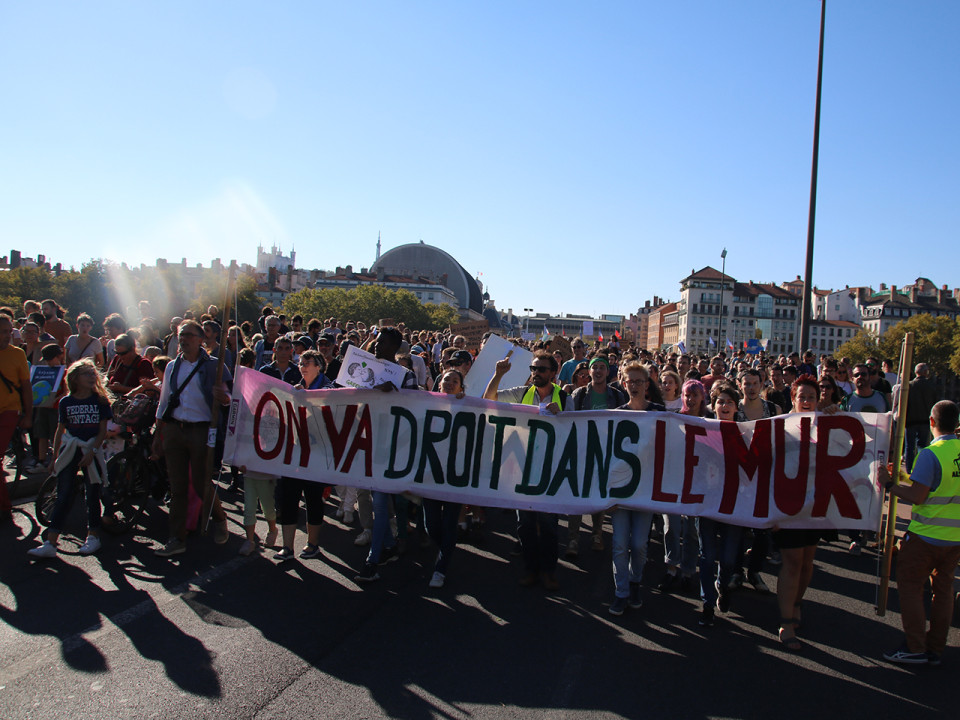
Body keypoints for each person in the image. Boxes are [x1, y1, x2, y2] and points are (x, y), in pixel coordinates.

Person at [881, 400, 960, 665]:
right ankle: (935, 647)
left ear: (931, 422)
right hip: (954, 538)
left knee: (911, 589)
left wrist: (890, 484)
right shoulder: (954, 451)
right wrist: (902, 477)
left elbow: (918, 495)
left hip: (926, 535)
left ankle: (915, 647)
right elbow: (933, 485)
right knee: (944, 592)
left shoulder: (931, 453)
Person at [484, 351, 570, 590]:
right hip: (522, 469)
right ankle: (532, 570)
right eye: (533, 369)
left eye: (542, 369)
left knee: (549, 525)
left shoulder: (565, 397)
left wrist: (561, 415)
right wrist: (498, 374)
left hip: (550, 471)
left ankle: (549, 572)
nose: (536, 373)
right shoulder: (522, 393)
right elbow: (489, 399)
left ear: (553, 373)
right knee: (526, 525)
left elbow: (576, 429)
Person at [151, 320, 232, 556]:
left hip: (201, 430)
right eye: (180, 335)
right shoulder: (172, 367)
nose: (183, 339)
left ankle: (219, 518)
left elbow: (228, 396)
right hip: (175, 429)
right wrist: (159, 432)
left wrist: (223, 397)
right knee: (177, 487)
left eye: (188, 335)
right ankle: (177, 538)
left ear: (200, 339)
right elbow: (164, 401)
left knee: (201, 483)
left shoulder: (215, 366)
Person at [27, 360, 112, 558]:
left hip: (91, 449)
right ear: (74, 379)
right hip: (70, 449)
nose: (92, 377)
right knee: (63, 494)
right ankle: (51, 542)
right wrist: (54, 456)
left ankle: (93, 536)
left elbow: (102, 431)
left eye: (94, 374)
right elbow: (60, 430)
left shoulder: (100, 401)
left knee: (92, 494)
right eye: (87, 374)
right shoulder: (66, 401)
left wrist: (92, 451)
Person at [354, 326, 419, 583]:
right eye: (377, 342)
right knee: (376, 499)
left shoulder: (405, 376)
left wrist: (395, 395)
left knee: (380, 503)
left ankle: (373, 559)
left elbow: (416, 409)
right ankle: (389, 546)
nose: (377, 345)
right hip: (368, 441)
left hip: (391, 446)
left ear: (395, 348)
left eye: (382, 343)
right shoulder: (364, 368)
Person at [774, 375, 831, 651]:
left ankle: (797, 602)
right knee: (793, 560)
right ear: (793, 399)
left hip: (816, 501)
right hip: (788, 502)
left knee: (808, 559)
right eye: (801, 397)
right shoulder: (781, 426)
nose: (806, 401)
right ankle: (785, 621)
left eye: (811, 397)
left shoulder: (828, 426)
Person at [608, 362, 663, 615]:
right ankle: (621, 592)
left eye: (639, 381)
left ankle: (635, 581)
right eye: (629, 381)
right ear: (623, 383)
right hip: (621, 489)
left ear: (647, 384)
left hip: (646, 491)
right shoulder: (616, 413)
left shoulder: (661, 414)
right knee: (620, 543)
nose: (634, 386)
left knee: (640, 544)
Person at [566, 356, 624, 557]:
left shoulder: (617, 397)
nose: (598, 371)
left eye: (602, 368)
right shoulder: (579, 395)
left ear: (608, 372)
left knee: (600, 492)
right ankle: (573, 538)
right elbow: (567, 421)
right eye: (594, 368)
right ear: (589, 372)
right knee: (577, 495)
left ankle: (597, 534)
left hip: (606, 451)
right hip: (582, 451)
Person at [421, 369, 468, 588]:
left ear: (461, 387)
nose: (449, 383)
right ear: (439, 383)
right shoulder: (425, 403)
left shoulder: (468, 407)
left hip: (454, 476)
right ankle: (446, 548)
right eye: (446, 379)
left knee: (449, 522)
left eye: (455, 381)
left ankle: (441, 568)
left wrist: (465, 404)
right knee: (431, 524)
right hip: (430, 475)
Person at [0, 316, 33, 520]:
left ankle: (4, 508)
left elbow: (26, 387)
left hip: (8, 411)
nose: (6, 335)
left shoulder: (17, 354)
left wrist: (28, 414)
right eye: (2, 331)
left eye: (8, 331)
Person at [904, 363, 939, 470]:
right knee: (923, 446)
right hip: (925, 420)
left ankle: (909, 468)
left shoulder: (909, 386)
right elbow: (935, 403)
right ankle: (920, 468)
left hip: (910, 421)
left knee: (909, 447)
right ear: (925, 372)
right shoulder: (931, 386)